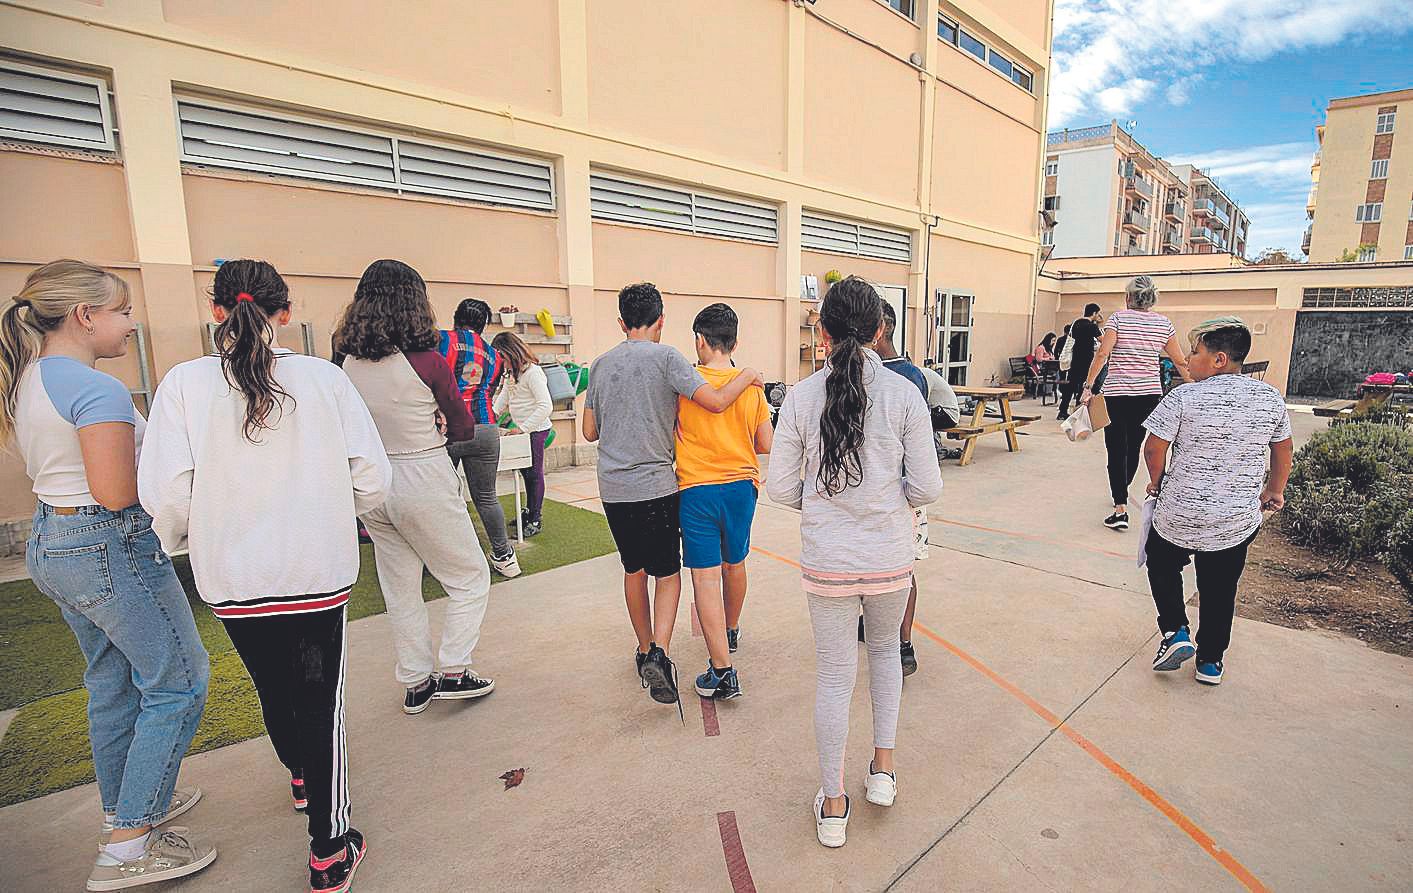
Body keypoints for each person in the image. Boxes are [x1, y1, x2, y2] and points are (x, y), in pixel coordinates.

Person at [139, 260, 389, 893]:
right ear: (285, 313)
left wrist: (190, 541)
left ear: (216, 312)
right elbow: (373, 476)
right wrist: (332, 516)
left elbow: (166, 493)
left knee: (274, 689)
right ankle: (330, 850)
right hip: (314, 570)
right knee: (319, 701)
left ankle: (302, 777)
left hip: (232, 577)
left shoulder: (183, 384)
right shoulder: (324, 380)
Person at [2, 260, 215, 890]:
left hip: (57, 540)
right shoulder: (98, 391)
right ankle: (128, 847)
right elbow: (119, 492)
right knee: (179, 680)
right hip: (107, 544)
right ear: (84, 315)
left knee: (114, 682)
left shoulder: (30, 376)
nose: (131, 323)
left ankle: (130, 805)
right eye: (122, 311)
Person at [766, 276, 943, 849]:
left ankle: (834, 803)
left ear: (823, 333)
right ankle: (883, 771)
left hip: (828, 561)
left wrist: (819, 507)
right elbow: (927, 488)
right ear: (880, 330)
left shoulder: (798, 397)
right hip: (889, 558)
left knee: (835, 676)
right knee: (886, 654)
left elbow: (780, 489)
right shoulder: (904, 395)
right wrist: (886, 501)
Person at [581, 283, 763, 709]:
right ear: (661, 320)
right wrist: (749, 376)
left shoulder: (600, 365)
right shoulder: (668, 359)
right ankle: (661, 651)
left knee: (634, 570)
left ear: (621, 322)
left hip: (614, 488)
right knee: (668, 574)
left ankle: (643, 648)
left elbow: (590, 431)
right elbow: (716, 400)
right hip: (660, 486)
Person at [335, 260, 497, 717]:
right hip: (422, 472)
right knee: (468, 577)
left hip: (370, 482)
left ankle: (416, 682)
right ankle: (454, 669)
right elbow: (464, 425)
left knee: (400, 585)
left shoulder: (342, 361)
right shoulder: (427, 360)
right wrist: (442, 421)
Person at [1141, 318, 1292, 686]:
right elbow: (1283, 446)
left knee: (1161, 561)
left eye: (1196, 351)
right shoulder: (1270, 398)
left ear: (1219, 359)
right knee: (1220, 588)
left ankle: (1175, 630)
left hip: (1179, 512)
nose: (1189, 359)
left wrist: (1157, 482)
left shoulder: (1182, 396)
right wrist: (1275, 489)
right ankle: (1210, 661)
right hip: (1234, 519)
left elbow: (1154, 446)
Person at [674, 303, 773, 700]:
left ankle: (722, 670)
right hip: (740, 489)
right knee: (736, 562)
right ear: (735, 341)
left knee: (704, 576)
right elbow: (765, 443)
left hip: (696, 488)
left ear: (700, 340)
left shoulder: (686, 383)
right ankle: (730, 630)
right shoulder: (750, 389)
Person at [1081, 277, 1191, 530]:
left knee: (1116, 448)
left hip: (1117, 395)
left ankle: (1120, 505)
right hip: (1149, 396)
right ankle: (1123, 490)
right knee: (1134, 446)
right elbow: (1179, 360)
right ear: (1152, 299)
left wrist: (1088, 386)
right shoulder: (1164, 324)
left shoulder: (1118, 319)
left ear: (1128, 297)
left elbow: (1102, 354)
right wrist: (1197, 387)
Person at [871, 300, 933, 677]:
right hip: (897, 490)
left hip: (902, 492)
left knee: (900, 570)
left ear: (879, 330)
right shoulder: (912, 375)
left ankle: (902, 642)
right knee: (894, 570)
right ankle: (894, 637)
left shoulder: (904, 378)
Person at [438, 298, 520, 577]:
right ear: (484, 325)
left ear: (455, 317)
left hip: (447, 429)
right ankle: (506, 557)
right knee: (486, 496)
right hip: (485, 428)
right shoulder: (495, 355)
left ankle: (447, 562)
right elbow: (491, 389)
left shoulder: (441, 340)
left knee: (443, 497)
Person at [491, 331, 552, 537]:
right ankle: (529, 510)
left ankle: (535, 518)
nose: (500, 362)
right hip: (522, 430)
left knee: (534, 473)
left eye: (502, 357)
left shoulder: (533, 373)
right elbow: (505, 398)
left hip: (536, 430)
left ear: (511, 353)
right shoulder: (511, 374)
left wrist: (524, 428)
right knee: (525, 472)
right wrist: (490, 415)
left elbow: (546, 406)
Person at [1057, 304, 1102, 420]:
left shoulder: (1076, 323)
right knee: (1085, 386)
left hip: (1075, 360)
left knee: (1071, 386)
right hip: (1087, 360)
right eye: (1097, 314)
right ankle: (1079, 411)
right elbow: (1103, 340)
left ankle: (1062, 411)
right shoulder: (1092, 326)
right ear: (1094, 313)